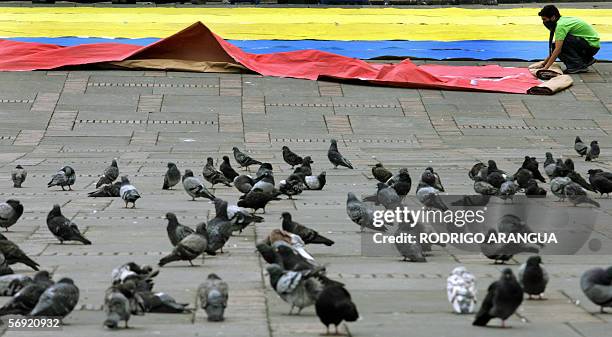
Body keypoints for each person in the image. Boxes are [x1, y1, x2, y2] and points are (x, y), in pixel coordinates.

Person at [535, 5, 600, 74]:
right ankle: (586, 60)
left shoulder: (561, 26)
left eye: (544, 19)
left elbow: (557, 50)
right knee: (558, 44)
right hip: (590, 45)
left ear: (553, 17)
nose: (544, 22)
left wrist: (545, 68)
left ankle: (577, 66)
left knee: (560, 45)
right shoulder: (562, 20)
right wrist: (543, 64)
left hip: (590, 47)